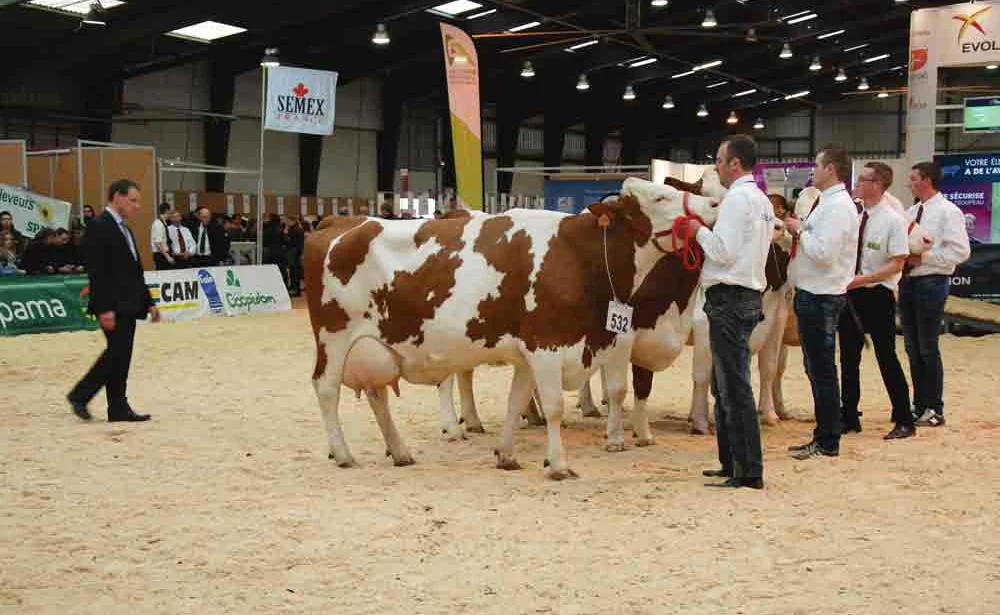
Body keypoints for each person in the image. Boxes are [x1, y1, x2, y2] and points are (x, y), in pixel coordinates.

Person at [688, 134, 773, 490]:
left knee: (734, 386)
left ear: (735, 164)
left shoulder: (738, 200)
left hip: (730, 298)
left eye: (719, 161)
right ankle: (730, 461)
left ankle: (748, 470)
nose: (717, 168)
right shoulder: (761, 201)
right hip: (745, 296)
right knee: (725, 386)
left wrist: (697, 232)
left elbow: (722, 252)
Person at [784, 146, 860, 460]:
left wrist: (799, 230)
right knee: (816, 368)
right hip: (813, 292)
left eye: (817, 165)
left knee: (822, 369)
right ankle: (823, 434)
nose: (813, 170)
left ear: (831, 169)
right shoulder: (826, 203)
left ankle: (828, 440)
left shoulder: (839, 206)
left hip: (822, 294)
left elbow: (825, 254)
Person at [67, 179, 160, 422]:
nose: (137, 206)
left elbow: (134, 270)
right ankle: (81, 395)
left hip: (129, 303)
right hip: (112, 305)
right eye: (133, 200)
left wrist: (149, 301)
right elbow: (98, 272)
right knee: (117, 353)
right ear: (116, 197)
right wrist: (104, 308)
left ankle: (117, 407)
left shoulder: (124, 228)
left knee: (121, 355)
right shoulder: (99, 226)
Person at [840, 162, 915, 440]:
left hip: (878, 294)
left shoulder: (893, 220)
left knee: (886, 356)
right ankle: (849, 415)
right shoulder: (857, 215)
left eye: (862, 179)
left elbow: (897, 264)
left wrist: (864, 278)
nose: (857, 183)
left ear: (877, 184)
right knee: (848, 356)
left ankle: (905, 419)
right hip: (852, 293)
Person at [900, 162, 971, 428]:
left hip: (932, 282)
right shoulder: (911, 212)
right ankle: (919, 403)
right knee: (912, 347)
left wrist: (924, 258)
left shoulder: (948, 212)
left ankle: (933, 406)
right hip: (908, 283)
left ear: (927, 180)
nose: (910, 184)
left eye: (913, 179)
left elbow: (961, 252)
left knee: (927, 346)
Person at [151, 202, 174, 270]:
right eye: (170, 212)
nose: (170, 214)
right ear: (167, 211)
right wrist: (167, 257)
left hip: (163, 254)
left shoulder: (163, 223)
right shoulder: (158, 224)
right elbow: (158, 243)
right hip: (161, 255)